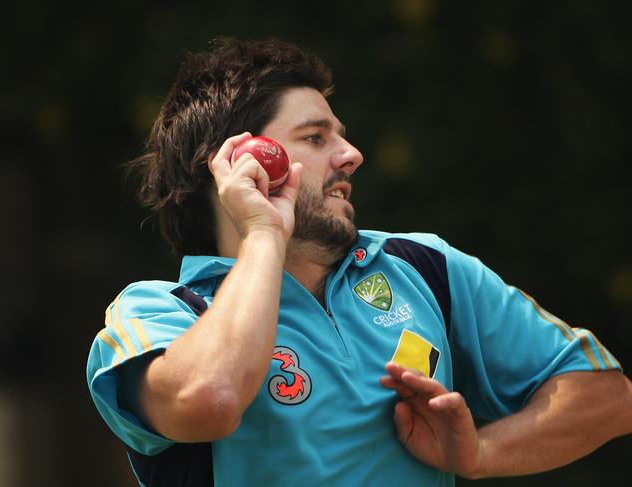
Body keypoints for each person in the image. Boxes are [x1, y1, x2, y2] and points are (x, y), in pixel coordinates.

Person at [86, 37, 632, 486]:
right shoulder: (157, 314)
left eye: (341, 137)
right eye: (315, 137)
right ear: (238, 162)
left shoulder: (423, 266)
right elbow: (212, 398)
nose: (351, 155)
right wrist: (263, 234)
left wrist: (478, 454)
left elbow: (608, 395)